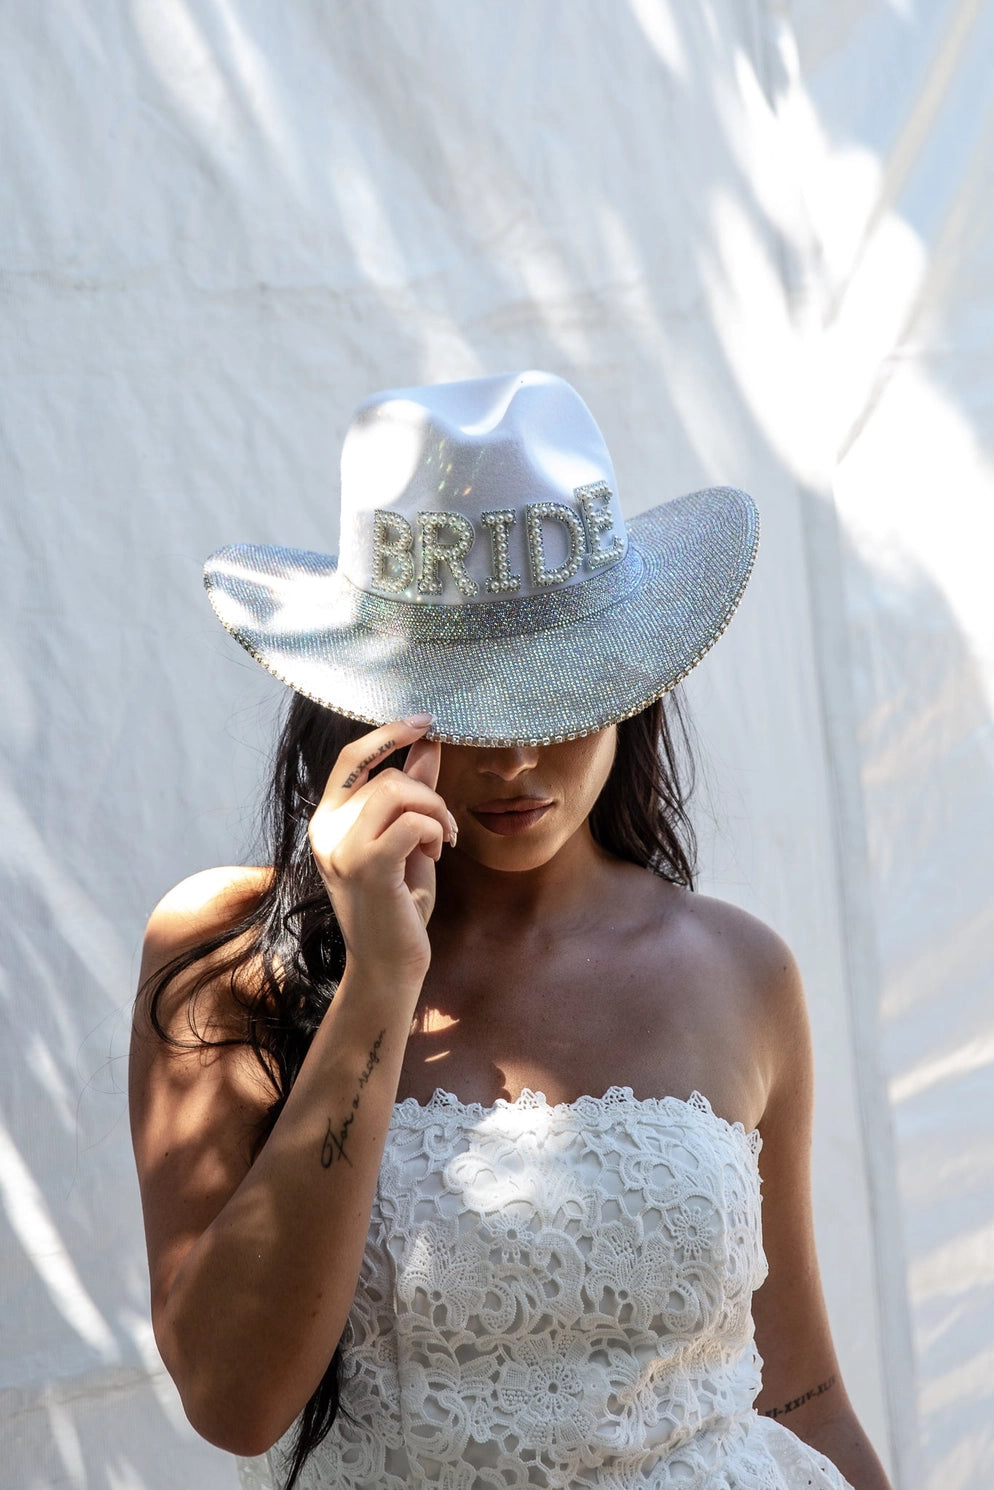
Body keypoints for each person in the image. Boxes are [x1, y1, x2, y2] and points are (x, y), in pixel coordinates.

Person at [130, 371, 892, 1490]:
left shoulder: (739, 970)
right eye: (467, 705)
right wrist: (377, 985)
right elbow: (235, 1400)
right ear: (361, 697)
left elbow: (797, 1388)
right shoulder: (236, 956)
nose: (517, 760)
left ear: (633, 678)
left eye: (555, 692)